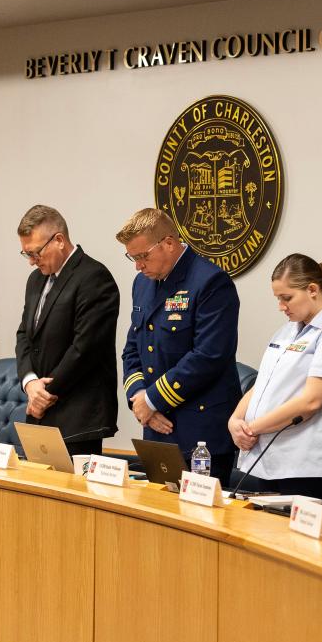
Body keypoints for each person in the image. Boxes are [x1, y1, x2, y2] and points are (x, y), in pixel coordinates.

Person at [116, 207, 241, 486]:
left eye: (142, 256)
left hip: (199, 432)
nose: (138, 265)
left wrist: (152, 400)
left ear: (169, 244)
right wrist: (139, 398)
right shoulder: (142, 284)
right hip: (156, 428)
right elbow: (132, 349)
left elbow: (209, 356)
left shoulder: (210, 282)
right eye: (132, 257)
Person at [228, 254, 322, 504]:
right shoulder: (287, 330)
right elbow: (263, 384)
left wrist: (253, 428)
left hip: (309, 464)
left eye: (286, 298)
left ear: (312, 289)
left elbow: (311, 401)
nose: (281, 306)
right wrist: (235, 420)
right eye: (278, 298)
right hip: (270, 457)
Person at [15, 204, 120, 455]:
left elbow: (84, 349)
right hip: (40, 411)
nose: (31, 261)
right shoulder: (36, 280)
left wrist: (44, 394)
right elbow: (24, 336)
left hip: (78, 415)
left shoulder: (94, 277)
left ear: (59, 240)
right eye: (26, 254)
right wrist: (30, 384)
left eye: (35, 253)